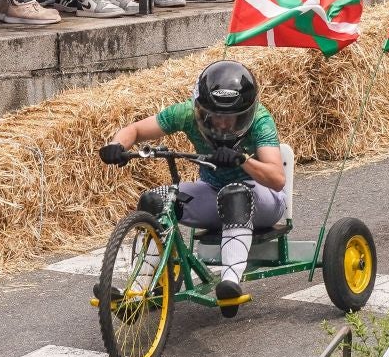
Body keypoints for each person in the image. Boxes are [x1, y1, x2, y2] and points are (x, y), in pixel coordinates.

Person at [101, 59, 286, 302]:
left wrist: (242, 160)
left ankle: (230, 282)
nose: (222, 123)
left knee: (234, 194)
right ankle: (139, 288)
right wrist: (117, 145)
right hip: (212, 191)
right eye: (215, 116)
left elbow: (277, 178)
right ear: (200, 109)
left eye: (231, 118)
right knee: (155, 200)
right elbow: (135, 130)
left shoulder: (261, 120)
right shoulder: (186, 113)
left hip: (262, 198)